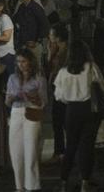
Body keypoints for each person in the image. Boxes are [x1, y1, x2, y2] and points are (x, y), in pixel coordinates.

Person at [53, 40, 102, 192]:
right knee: (86, 147)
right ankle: (85, 182)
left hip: (71, 110)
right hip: (88, 109)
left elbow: (58, 95)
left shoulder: (63, 71)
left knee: (71, 146)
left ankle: (63, 181)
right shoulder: (91, 68)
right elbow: (101, 86)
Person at [6, 49, 46, 192]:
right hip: (16, 112)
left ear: (30, 61)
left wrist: (33, 97)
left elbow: (44, 102)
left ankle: (32, 186)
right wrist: (12, 97)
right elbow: (7, 101)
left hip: (32, 111)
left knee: (31, 151)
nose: (21, 64)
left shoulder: (39, 78)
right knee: (16, 151)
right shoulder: (12, 78)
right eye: (18, 61)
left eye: (23, 61)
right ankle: (19, 186)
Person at [45, 24, 69, 163]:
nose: (49, 37)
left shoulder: (64, 53)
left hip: (63, 90)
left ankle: (62, 151)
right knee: (58, 121)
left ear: (58, 37)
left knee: (60, 121)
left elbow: (54, 70)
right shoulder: (57, 50)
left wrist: (50, 54)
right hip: (57, 89)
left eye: (51, 35)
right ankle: (60, 150)